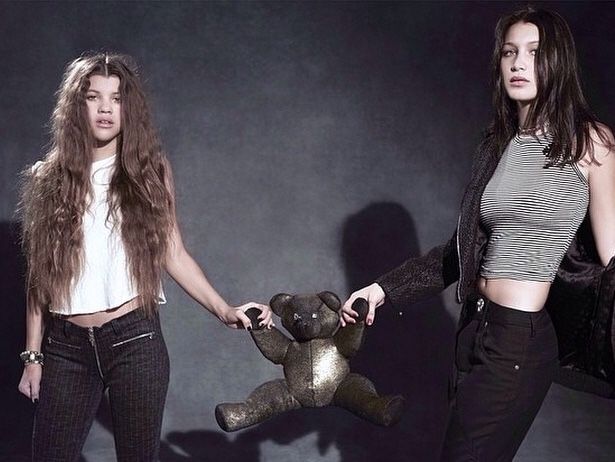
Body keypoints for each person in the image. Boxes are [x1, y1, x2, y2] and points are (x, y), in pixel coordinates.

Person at [341, 6, 615, 462]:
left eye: (534, 52)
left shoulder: (590, 143)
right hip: (475, 329)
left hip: (519, 340)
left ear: (558, 61)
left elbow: (613, 260)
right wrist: (381, 290)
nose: (518, 63)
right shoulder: (497, 145)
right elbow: (460, 251)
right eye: (509, 52)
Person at [17, 52, 273, 462]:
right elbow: (39, 275)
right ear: (75, 106)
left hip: (134, 340)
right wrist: (33, 357)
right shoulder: (47, 177)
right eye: (93, 97)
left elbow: (172, 250)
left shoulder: (149, 170)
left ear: (128, 108)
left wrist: (224, 309)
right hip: (65, 348)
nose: (105, 108)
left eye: (116, 99)